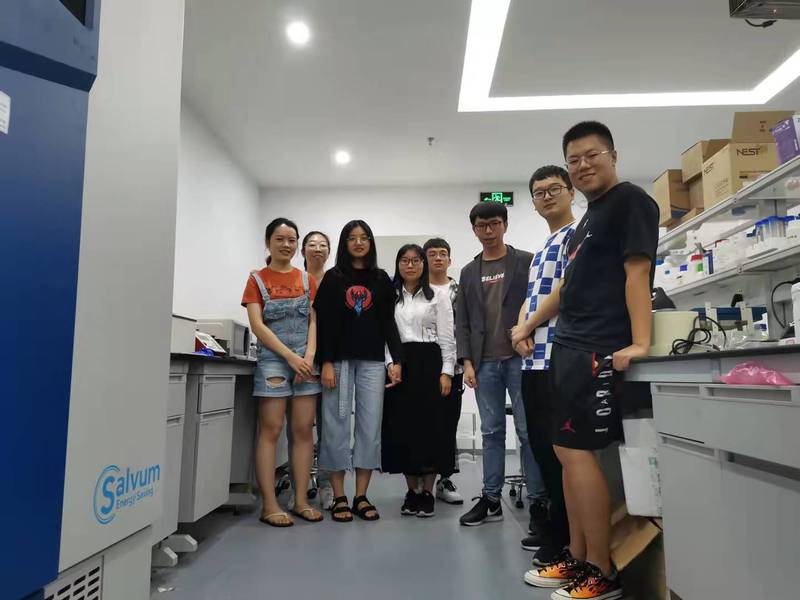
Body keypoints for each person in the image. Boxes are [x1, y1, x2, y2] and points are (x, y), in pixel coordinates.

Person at [526, 122, 658, 600]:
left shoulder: (632, 202)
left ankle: (602, 572)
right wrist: (527, 326)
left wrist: (640, 342)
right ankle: (578, 556)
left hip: (599, 344)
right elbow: (569, 285)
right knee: (565, 451)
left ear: (613, 156)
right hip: (569, 343)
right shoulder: (587, 219)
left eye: (591, 155)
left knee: (579, 452)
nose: (582, 166)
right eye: (574, 160)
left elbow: (637, 271)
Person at [456, 202, 548, 529]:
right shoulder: (469, 272)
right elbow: (463, 321)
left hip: (521, 359)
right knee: (491, 433)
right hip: (484, 363)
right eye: (482, 226)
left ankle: (539, 502)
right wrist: (467, 362)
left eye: (494, 223)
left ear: (505, 225)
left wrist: (529, 334)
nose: (489, 231)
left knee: (527, 430)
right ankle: (491, 499)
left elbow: (540, 303)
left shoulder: (526, 261)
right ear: (474, 230)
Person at [508, 166, 576, 568]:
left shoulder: (576, 235)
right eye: (539, 192)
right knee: (541, 449)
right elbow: (532, 296)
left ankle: (566, 539)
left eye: (554, 189)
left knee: (563, 453)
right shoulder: (543, 247)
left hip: (559, 357)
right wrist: (519, 330)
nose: (547, 196)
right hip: (533, 360)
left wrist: (528, 325)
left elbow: (567, 289)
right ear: (533, 203)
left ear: (571, 192)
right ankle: (554, 528)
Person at [313, 220, 403, 523]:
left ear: (370, 243)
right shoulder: (333, 278)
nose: (359, 242)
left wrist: (397, 359)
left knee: (370, 427)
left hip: (372, 362)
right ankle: (339, 495)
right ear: (344, 243)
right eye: (352, 238)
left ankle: (361, 495)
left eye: (364, 237)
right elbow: (324, 323)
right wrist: (326, 362)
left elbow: (388, 322)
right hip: (338, 362)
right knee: (335, 426)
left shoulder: (381, 278)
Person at [241, 218, 324, 527]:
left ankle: (300, 500)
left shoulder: (307, 280)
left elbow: (314, 321)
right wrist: (290, 357)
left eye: (292, 239)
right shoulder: (257, 279)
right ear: (268, 243)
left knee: (303, 431)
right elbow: (257, 325)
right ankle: (270, 505)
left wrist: (309, 356)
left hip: (305, 361)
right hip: (274, 361)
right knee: (271, 429)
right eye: (280, 239)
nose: (286, 244)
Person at [381, 244, 456, 517]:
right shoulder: (391, 296)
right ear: (398, 264)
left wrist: (447, 371)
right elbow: (385, 334)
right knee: (403, 428)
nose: (410, 265)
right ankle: (412, 491)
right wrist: (391, 363)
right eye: (404, 260)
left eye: (415, 260)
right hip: (400, 364)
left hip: (430, 363)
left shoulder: (438, 295)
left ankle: (428, 492)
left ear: (423, 264)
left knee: (431, 428)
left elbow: (447, 336)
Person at [423, 237, 464, 505]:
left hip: (454, 367)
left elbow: (467, 326)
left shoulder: (460, 290)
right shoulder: (416, 289)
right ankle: (421, 479)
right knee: (423, 425)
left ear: (450, 259)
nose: (438, 258)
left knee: (448, 425)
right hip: (422, 367)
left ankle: (445, 479)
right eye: (432, 254)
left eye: (442, 254)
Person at [300, 230, 335, 510]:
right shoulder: (294, 279)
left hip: (329, 361)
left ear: (329, 252)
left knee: (328, 428)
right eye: (312, 244)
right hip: (297, 360)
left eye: (323, 245)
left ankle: (326, 485)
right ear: (303, 251)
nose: (318, 248)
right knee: (299, 428)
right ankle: (299, 486)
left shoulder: (335, 281)